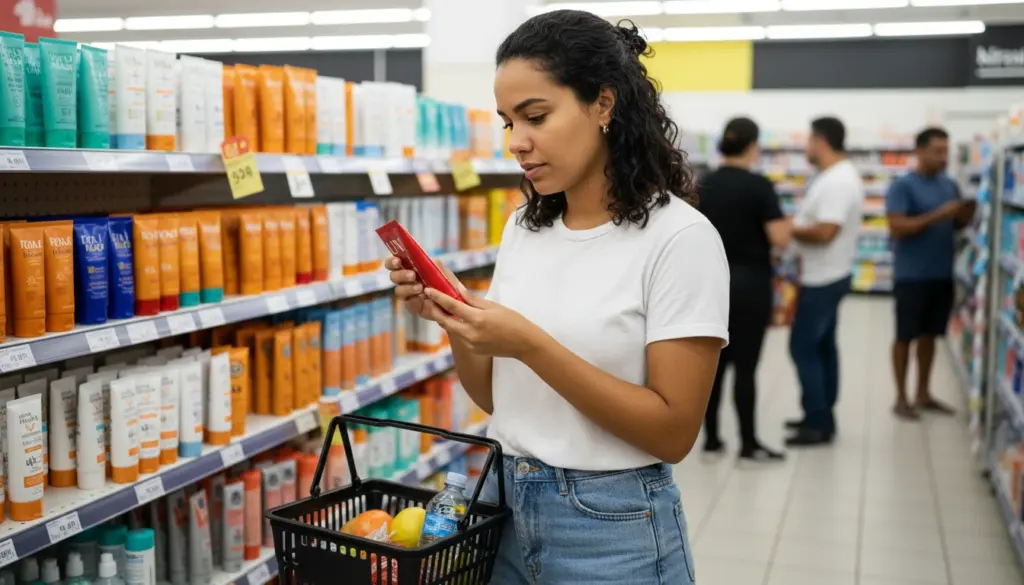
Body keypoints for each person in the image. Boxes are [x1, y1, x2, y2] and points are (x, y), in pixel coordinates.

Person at [387, 11, 728, 584]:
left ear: (603, 104)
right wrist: (455, 318)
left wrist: (530, 345)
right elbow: (497, 399)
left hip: (610, 527)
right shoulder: (526, 228)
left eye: (536, 117)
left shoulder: (680, 239)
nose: (516, 143)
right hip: (502, 503)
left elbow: (673, 433)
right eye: (508, 122)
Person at [699, 117, 791, 461]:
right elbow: (779, 238)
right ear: (752, 145)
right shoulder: (759, 186)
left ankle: (711, 440)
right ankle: (749, 443)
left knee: (714, 366)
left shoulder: (704, 183)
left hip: (711, 285)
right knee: (746, 367)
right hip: (751, 285)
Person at [886, 127, 975, 420]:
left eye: (945, 151)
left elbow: (956, 225)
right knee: (905, 336)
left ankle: (923, 393)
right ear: (919, 151)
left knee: (931, 335)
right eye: (937, 151)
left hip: (942, 273)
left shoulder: (949, 185)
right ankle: (901, 397)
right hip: (911, 276)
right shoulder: (902, 186)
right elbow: (897, 227)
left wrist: (965, 215)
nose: (943, 157)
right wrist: (939, 215)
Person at [785, 117, 864, 447]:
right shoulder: (834, 176)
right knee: (822, 347)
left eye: (808, 141)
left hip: (824, 278)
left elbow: (826, 232)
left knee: (802, 347)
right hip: (828, 273)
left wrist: (789, 229)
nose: (806, 148)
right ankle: (820, 415)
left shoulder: (838, 181)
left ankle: (817, 422)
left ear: (820, 141)